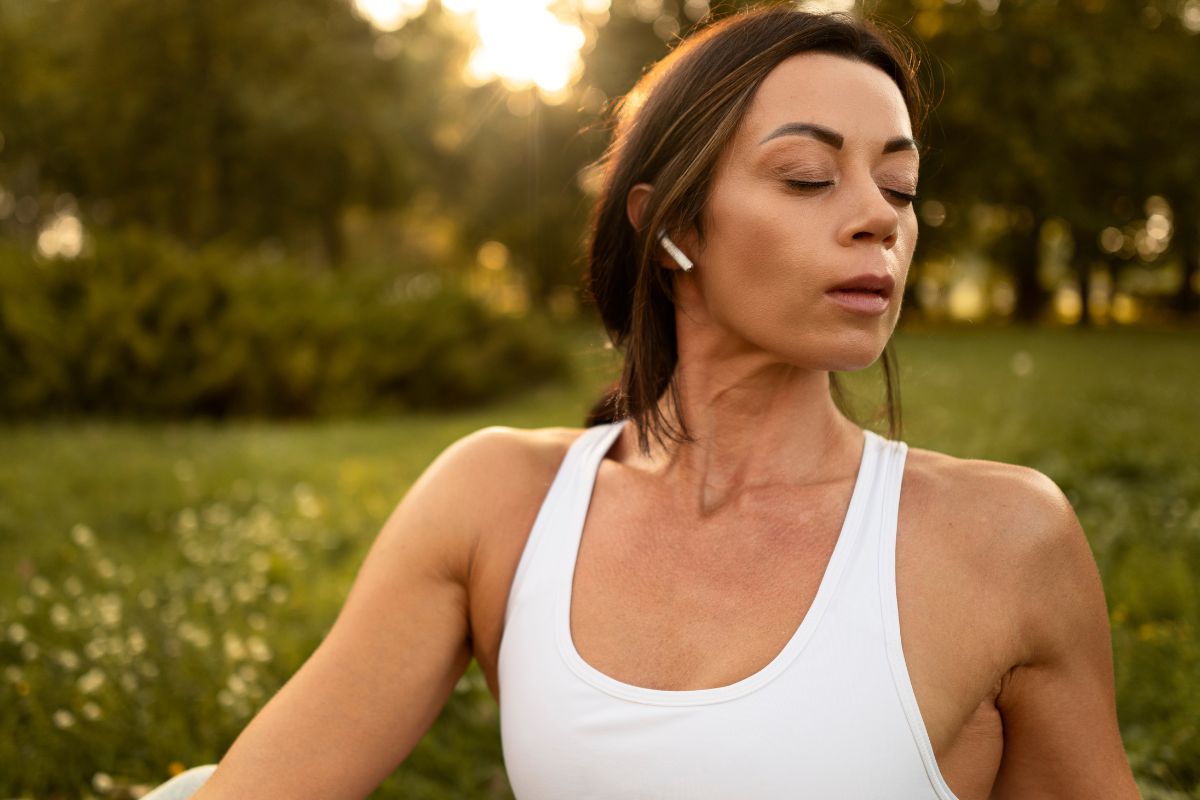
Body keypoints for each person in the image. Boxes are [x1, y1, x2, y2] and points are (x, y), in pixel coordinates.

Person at [175, 5, 1140, 799]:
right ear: (672, 224)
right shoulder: (497, 502)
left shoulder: (1007, 539)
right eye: (809, 177)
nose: (877, 217)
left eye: (900, 183)